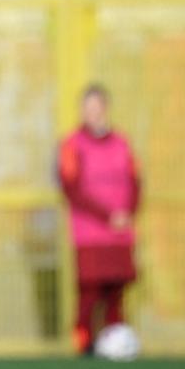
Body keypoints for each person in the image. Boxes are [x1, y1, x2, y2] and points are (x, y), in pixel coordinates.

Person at [58, 85, 141, 355]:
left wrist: (128, 212)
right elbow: (71, 188)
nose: (92, 113)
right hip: (90, 232)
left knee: (116, 292)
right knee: (89, 293)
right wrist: (107, 216)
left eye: (97, 107)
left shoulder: (122, 142)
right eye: (87, 108)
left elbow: (136, 181)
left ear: (105, 108)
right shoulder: (72, 145)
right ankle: (84, 345)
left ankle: (115, 342)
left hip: (119, 232)